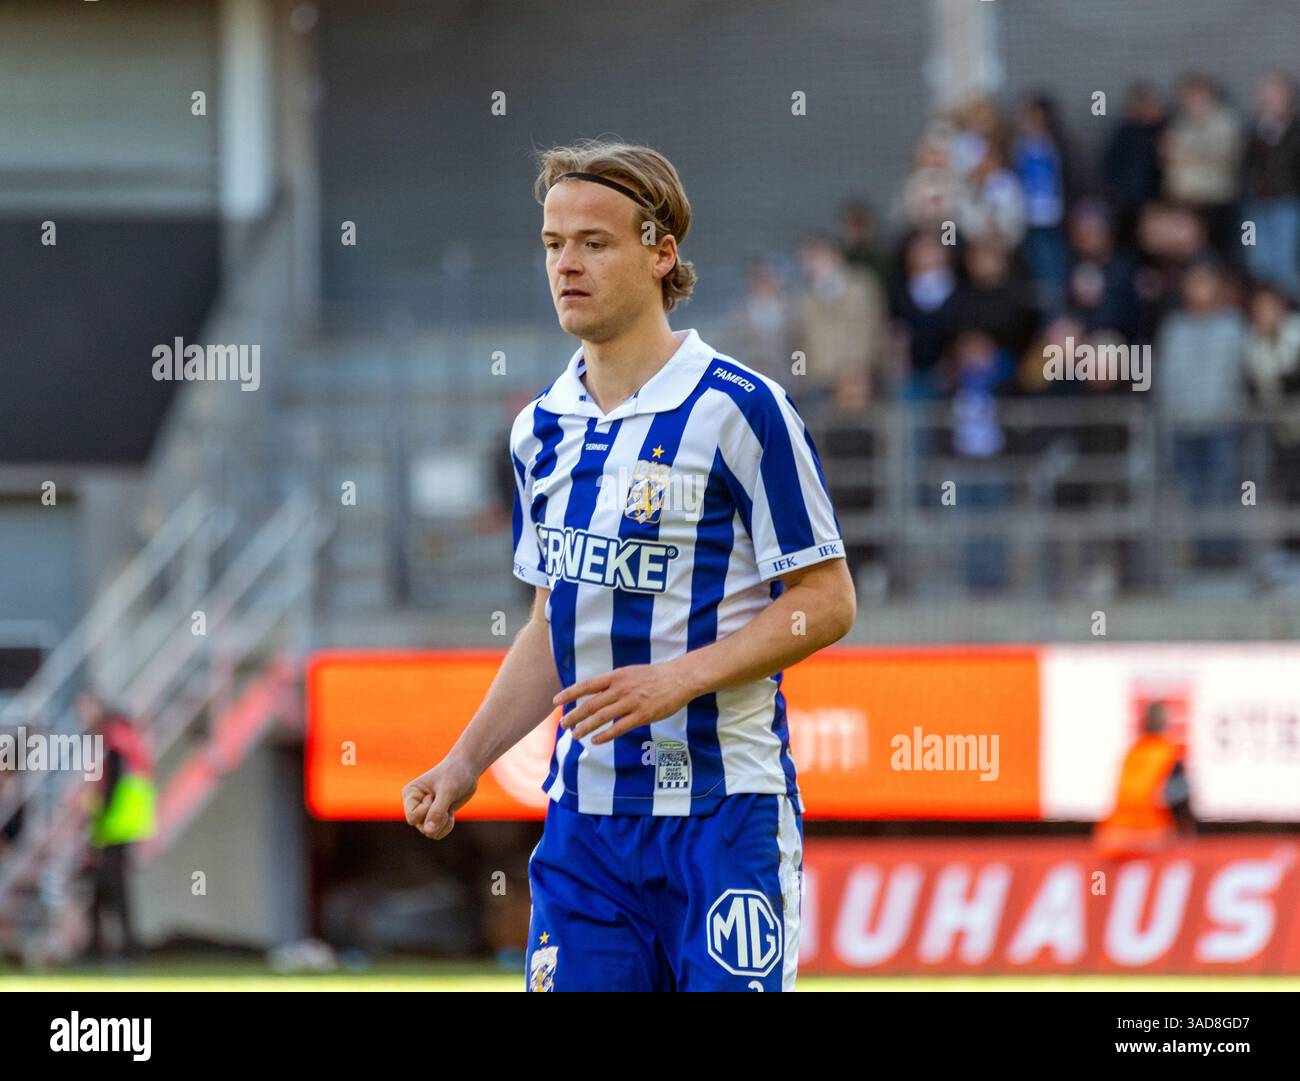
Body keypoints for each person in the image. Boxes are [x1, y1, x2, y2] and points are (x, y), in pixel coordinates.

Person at [402, 140, 855, 992]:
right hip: (589, 829)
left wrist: (678, 678)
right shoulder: (538, 428)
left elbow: (826, 601)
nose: (566, 265)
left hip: (725, 817)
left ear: (661, 251)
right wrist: (463, 761)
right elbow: (550, 624)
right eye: (551, 244)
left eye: (593, 243)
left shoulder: (742, 409)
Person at [78, 691, 156, 962]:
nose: (82, 715)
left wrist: (98, 822)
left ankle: (125, 948)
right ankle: (98, 946)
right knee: (103, 885)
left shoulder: (112, 737)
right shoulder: (121, 733)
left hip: (117, 823)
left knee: (113, 886)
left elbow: (112, 783)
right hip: (122, 821)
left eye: (85, 707)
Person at [1094, 701, 1196, 860]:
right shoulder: (1168, 754)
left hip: (1114, 836)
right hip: (1151, 834)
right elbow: (1179, 799)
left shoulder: (1132, 753)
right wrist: (1187, 833)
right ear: (1165, 725)